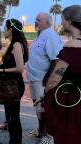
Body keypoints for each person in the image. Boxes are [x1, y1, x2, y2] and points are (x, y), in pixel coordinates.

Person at [43, 5, 81, 144]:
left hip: (70, 104)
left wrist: (46, 94)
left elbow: (54, 79)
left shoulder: (71, 46)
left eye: (62, 19)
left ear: (69, 22)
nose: (61, 23)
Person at [0, 19, 28, 144]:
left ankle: (15, 141)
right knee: (11, 117)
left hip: (14, 85)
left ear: (11, 29)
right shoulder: (13, 43)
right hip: (10, 85)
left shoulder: (17, 45)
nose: (3, 30)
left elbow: (19, 68)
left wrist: (1, 71)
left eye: (5, 28)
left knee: (14, 117)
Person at [26, 12, 63, 137]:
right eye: (35, 19)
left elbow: (56, 59)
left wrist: (47, 78)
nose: (35, 22)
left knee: (44, 107)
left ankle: (49, 135)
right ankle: (41, 130)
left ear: (47, 22)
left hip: (42, 80)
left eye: (38, 20)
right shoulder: (40, 35)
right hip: (34, 78)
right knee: (38, 107)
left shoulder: (51, 36)